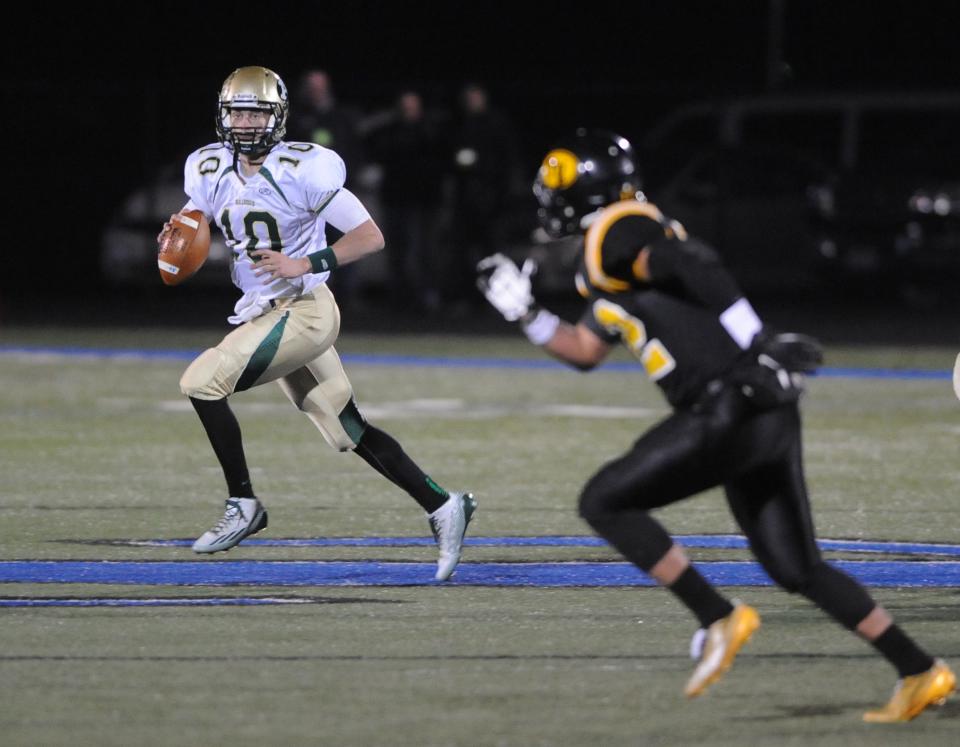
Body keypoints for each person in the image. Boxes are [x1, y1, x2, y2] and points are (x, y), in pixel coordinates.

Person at [476, 128, 955, 720]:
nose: (548, 201)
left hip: (728, 402)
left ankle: (716, 616)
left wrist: (758, 340)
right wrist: (526, 314)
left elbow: (689, 261)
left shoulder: (616, 230)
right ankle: (919, 670)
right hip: (763, 410)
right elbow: (584, 349)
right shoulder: (613, 254)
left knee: (604, 501)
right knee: (797, 567)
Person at [157, 66, 476, 581]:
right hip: (267, 311)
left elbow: (370, 235)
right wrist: (174, 237)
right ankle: (444, 506)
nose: (244, 123)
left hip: (306, 310)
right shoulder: (209, 168)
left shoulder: (303, 168)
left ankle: (243, 504)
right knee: (344, 427)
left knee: (202, 382)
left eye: (255, 113)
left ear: (277, 118)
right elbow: (194, 218)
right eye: (237, 112)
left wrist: (305, 262)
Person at [364, 89, 447, 311]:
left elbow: (440, 163)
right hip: (397, 200)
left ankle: (427, 296)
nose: (408, 111)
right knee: (398, 252)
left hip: (425, 202)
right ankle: (400, 298)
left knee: (426, 251)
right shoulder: (389, 132)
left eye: (412, 106)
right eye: (404, 106)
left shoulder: (431, 131)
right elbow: (369, 140)